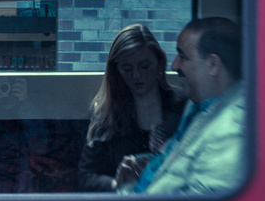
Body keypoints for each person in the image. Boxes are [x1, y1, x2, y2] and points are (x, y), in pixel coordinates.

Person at [116, 17, 245, 196]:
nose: (175, 65)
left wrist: (126, 193)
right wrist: (149, 167)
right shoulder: (197, 105)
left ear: (213, 65)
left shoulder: (231, 129)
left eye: (183, 57)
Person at [79, 25, 186, 191]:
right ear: (117, 71)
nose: (136, 75)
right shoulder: (106, 113)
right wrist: (118, 184)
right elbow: (86, 178)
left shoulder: (183, 104)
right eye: (127, 68)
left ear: (159, 63)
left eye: (144, 66)